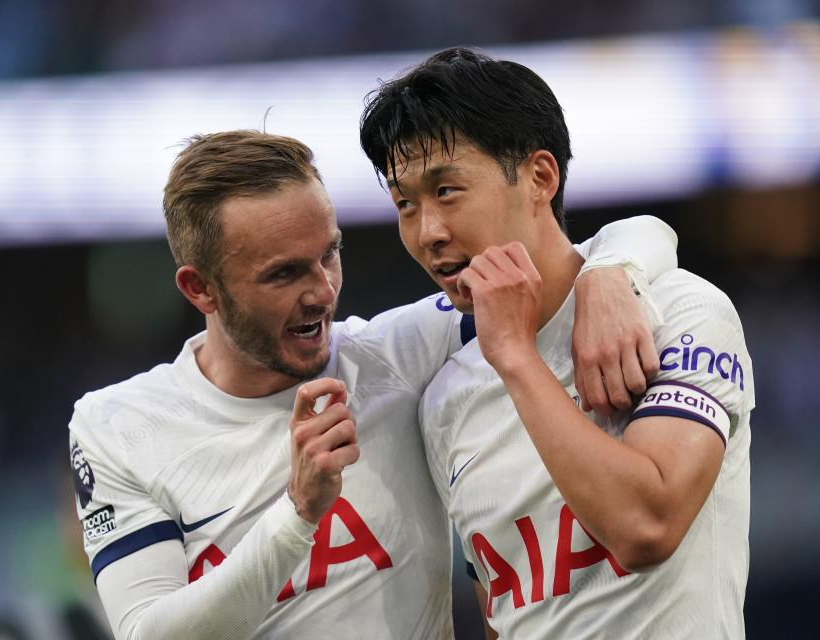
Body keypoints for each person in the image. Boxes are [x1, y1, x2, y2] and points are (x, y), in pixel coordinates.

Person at [68, 130, 677, 639]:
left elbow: (623, 238)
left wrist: (610, 275)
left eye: (328, 255)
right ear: (199, 288)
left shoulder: (401, 354)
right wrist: (298, 513)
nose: (321, 292)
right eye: (283, 274)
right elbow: (147, 632)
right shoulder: (117, 426)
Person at [359, 47, 754, 638]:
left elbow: (647, 527)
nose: (428, 233)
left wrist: (516, 356)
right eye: (404, 203)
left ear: (540, 177)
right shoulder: (445, 400)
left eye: (447, 191)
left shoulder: (683, 312)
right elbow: (504, 610)